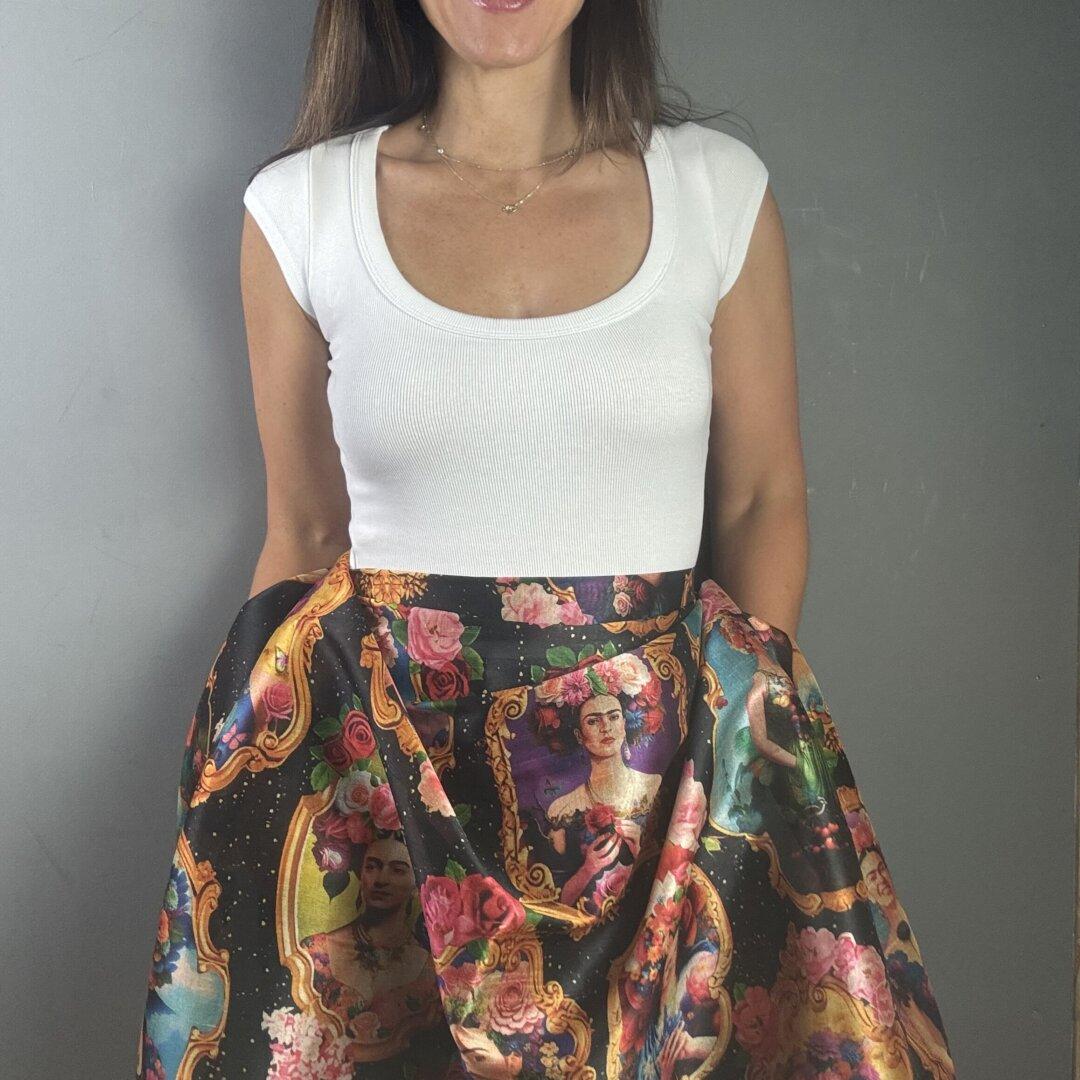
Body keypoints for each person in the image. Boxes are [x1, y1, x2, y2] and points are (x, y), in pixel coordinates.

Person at [136, 1, 956, 1076]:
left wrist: (710, 776)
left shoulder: (716, 192)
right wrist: (238, 763)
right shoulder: (300, 209)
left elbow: (760, 499)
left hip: (662, 793)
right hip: (384, 789)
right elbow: (305, 528)